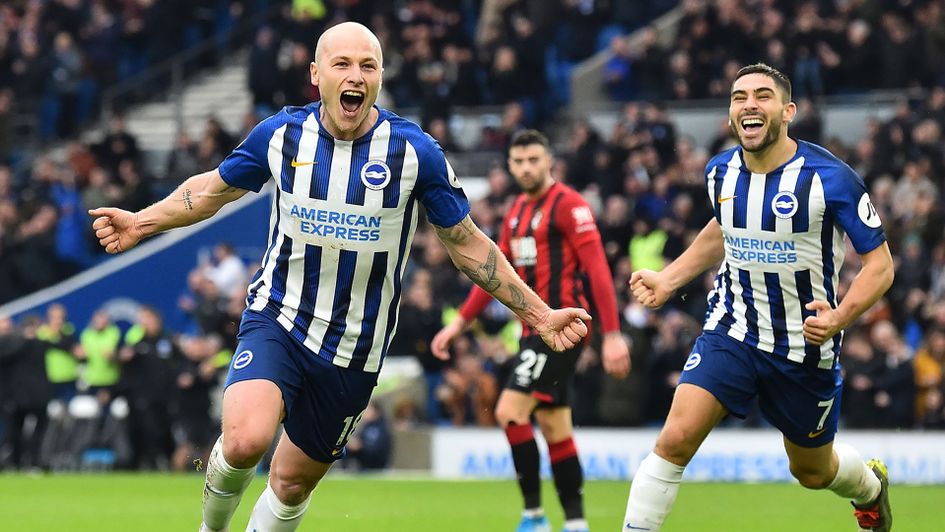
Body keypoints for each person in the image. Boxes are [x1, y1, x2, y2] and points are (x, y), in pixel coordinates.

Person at [89, 22, 591, 532]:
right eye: (342, 64)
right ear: (316, 75)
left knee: (288, 486)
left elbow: (467, 245)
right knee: (244, 441)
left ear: (379, 78)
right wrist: (141, 221)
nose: (356, 75)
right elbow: (212, 190)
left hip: (355, 347)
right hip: (279, 317)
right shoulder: (282, 134)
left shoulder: (415, 153)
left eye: (368, 66)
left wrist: (540, 314)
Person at [622, 63, 894, 532]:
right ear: (730, 114)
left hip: (804, 345)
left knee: (811, 472)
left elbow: (881, 265)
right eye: (739, 96)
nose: (749, 104)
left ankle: (870, 489)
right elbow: (722, 230)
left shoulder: (830, 178)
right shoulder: (719, 172)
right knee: (675, 439)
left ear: (787, 111)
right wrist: (670, 279)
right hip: (733, 329)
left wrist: (841, 316)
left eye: (762, 96)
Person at [432, 130, 631, 532]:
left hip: (565, 329)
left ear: (549, 162)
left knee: (508, 410)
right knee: (556, 426)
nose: (526, 168)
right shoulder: (517, 211)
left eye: (533, 160)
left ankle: (534, 517)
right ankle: (575, 522)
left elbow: (597, 269)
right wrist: (458, 323)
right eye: (519, 161)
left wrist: (612, 334)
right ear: (509, 166)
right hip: (532, 333)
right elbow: (492, 273)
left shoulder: (569, 206)